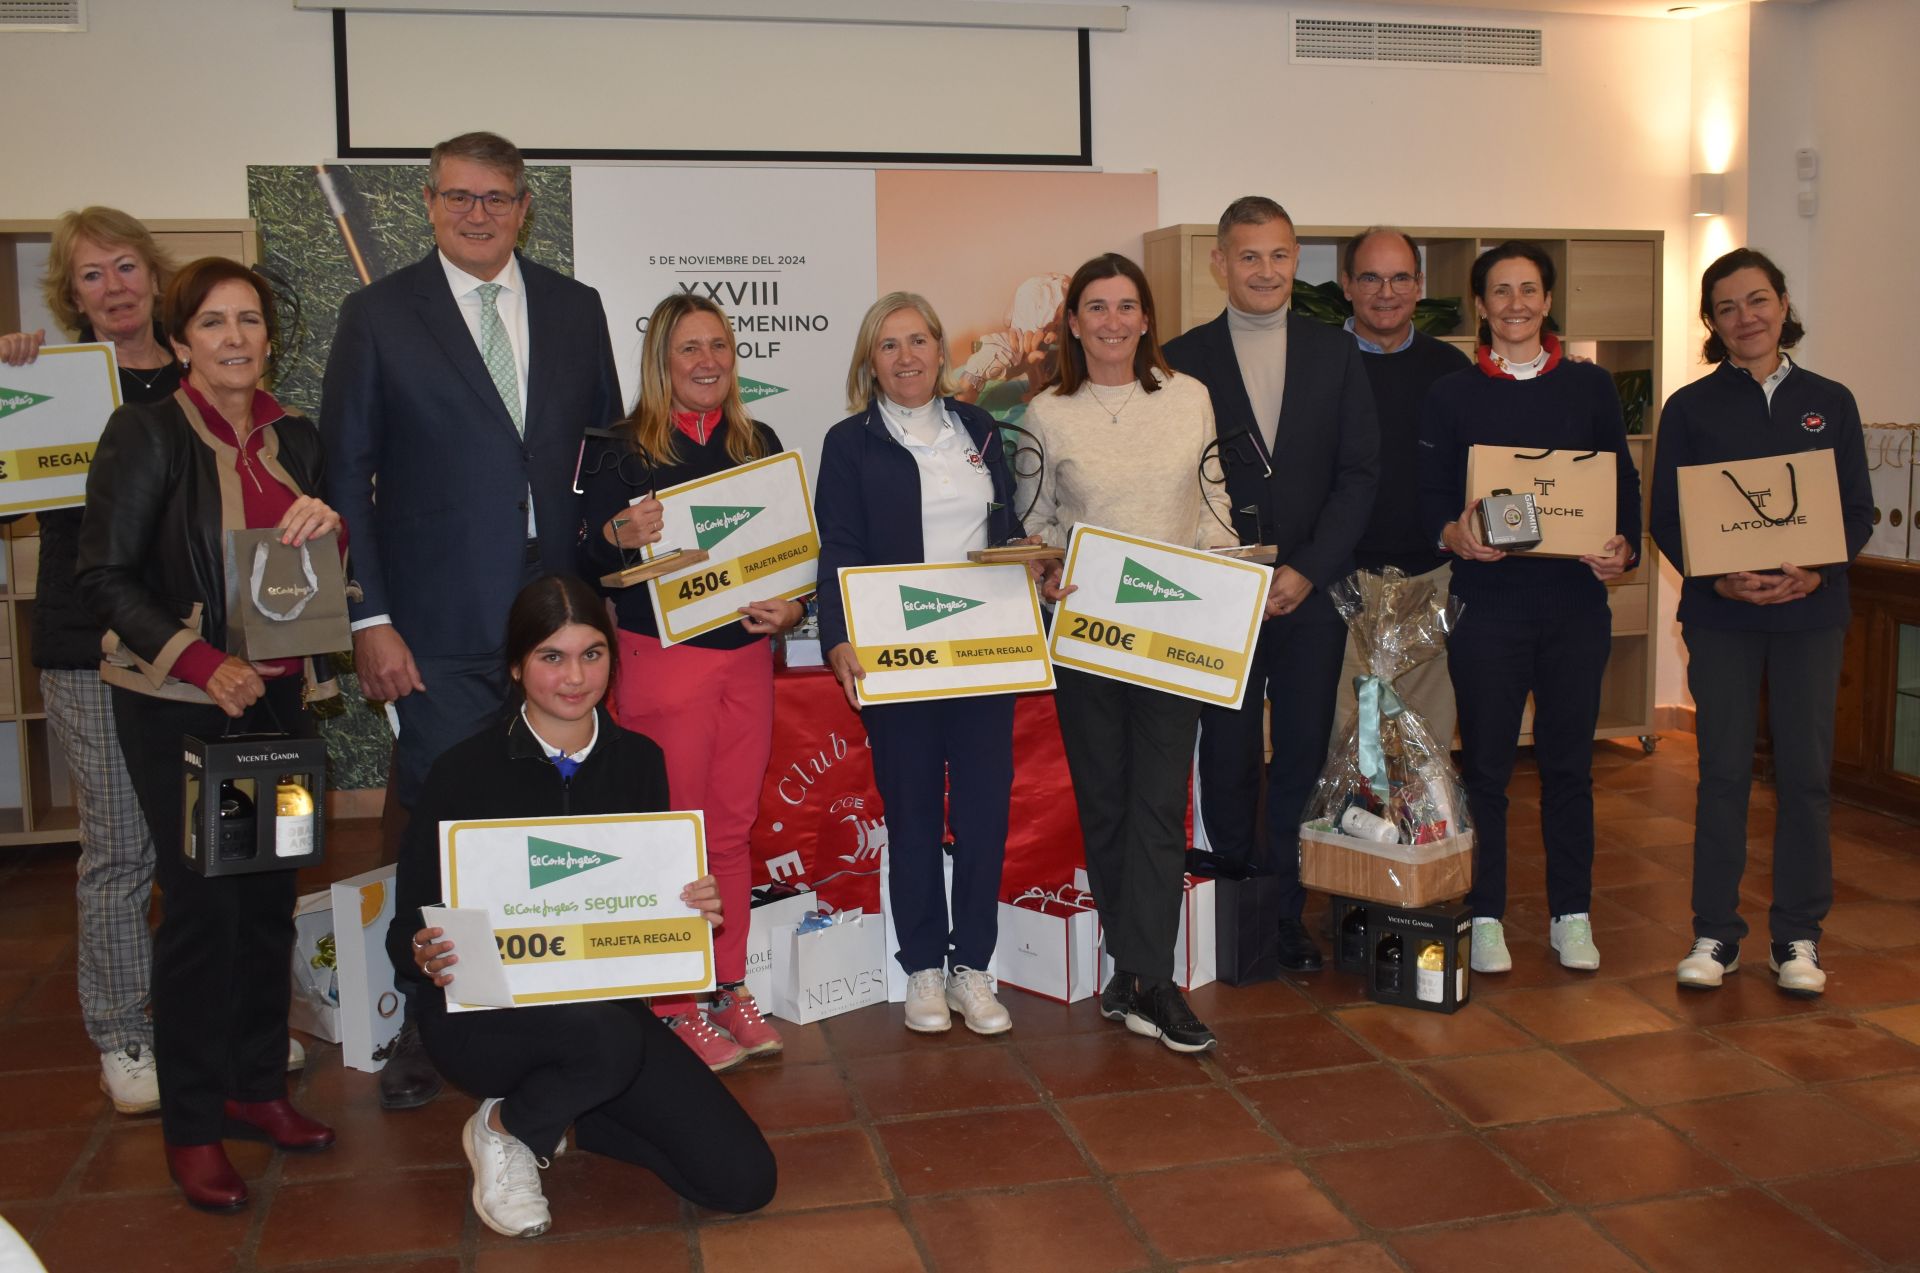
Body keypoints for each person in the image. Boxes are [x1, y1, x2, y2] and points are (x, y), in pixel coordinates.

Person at [321, 130, 622, 1109]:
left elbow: (604, 457)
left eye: (496, 198)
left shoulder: (576, 312)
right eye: (460, 198)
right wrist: (371, 616)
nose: (479, 214)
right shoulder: (376, 316)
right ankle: (423, 1012)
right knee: (445, 819)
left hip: (559, 610)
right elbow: (346, 477)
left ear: (523, 206)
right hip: (437, 618)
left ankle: (549, 1002)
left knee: (551, 813)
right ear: (430, 202)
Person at [393, 575, 776, 1238]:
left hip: (606, 1024)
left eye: (592, 654)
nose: (575, 677)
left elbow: (649, 914)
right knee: (607, 1038)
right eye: (552, 656)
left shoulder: (640, 762)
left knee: (743, 1181)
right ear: (516, 665)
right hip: (489, 1021)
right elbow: (408, 928)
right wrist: (426, 949)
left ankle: (576, 1111)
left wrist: (689, 909)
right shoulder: (462, 771)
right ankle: (504, 1126)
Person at [77, 257, 343, 1211]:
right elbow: (102, 578)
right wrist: (201, 661)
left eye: (250, 321)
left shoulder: (295, 437)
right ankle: (193, 1122)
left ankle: (253, 1087)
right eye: (214, 322)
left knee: (268, 900)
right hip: (180, 703)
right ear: (184, 338)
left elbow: (305, 575)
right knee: (200, 912)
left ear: (271, 336)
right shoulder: (145, 433)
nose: (235, 338)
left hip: (276, 700)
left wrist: (333, 532)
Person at [579, 293, 802, 1070]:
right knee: (676, 833)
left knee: (733, 827)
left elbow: (791, 559)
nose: (708, 362)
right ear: (660, 362)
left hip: (746, 661)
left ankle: (727, 984)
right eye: (689, 350)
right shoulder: (618, 449)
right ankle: (673, 1003)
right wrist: (612, 533)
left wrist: (793, 604)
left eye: (719, 346)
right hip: (661, 660)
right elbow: (583, 564)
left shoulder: (758, 439)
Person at [1019, 253, 1236, 1054]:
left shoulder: (1191, 400)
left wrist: (1231, 567)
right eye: (1095, 308)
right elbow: (1035, 523)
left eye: (1126, 307)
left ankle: (1149, 976)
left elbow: (1214, 511)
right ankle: (1133, 971)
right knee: (1106, 801)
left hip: (1174, 636)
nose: (1112, 321)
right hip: (1087, 636)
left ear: (1147, 319)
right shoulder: (1047, 413)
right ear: (1073, 322)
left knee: (1158, 802)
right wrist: (1042, 567)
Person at [1163, 197, 1380, 973]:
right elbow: (1171, 485)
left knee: (1299, 758)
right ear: (1220, 263)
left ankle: (1286, 911)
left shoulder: (1336, 353)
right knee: (1224, 757)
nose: (1265, 271)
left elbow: (1359, 476)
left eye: (1279, 255)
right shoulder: (1178, 359)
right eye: (1248, 256)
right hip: (1219, 597)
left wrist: (1308, 569)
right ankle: (1234, 909)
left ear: (1298, 263)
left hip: (1310, 598)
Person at [1651, 248, 1872, 997]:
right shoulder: (1689, 407)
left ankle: (1798, 938)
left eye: (1757, 300)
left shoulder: (1830, 402)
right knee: (1720, 774)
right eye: (1727, 307)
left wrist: (1818, 570)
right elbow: (1666, 517)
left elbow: (1855, 510)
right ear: (1711, 323)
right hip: (1722, 617)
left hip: (1813, 614)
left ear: (1782, 304)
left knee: (1807, 777)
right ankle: (1716, 934)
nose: (1745, 317)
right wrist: (1721, 577)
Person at [1417, 240, 1640, 976]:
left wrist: (1623, 549)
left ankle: (1570, 913)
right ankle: (1484, 914)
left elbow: (1623, 487)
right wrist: (1456, 534)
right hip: (1489, 605)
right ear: (1480, 306)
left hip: (1575, 605)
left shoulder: (1590, 387)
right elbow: (1431, 500)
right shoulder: (1454, 394)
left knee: (1569, 765)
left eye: (1529, 289)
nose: (1515, 303)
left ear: (1547, 301)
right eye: (1501, 291)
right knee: (1485, 767)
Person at [815, 292, 1035, 1036]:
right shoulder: (849, 443)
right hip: (896, 655)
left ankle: (973, 964)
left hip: (983, 652)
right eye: (888, 345)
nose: (906, 357)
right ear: (868, 362)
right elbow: (838, 545)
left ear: (942, 350)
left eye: (918, 341)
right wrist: (838, 635)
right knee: (910, 814)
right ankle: (923, 969)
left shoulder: (978, 427)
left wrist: (1032, 567)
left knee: (983, 814)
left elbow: (1001, 528)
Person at [0, 208, 180, 1116]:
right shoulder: (51, 379)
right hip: (90, 643)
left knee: (199, 842)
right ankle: (121, 1029)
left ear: (151, 272)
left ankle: (195, 1015)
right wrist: (3, 390)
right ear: (69, 296)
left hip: (194, 644)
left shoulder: (198, 371)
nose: (113, 288)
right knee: (119, 846)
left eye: (123, 267)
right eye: (89, 277)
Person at [1331, 227, 1471, 749]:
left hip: (1432, 579)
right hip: (1344, 585)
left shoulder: (1451, 370)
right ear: (1346, 284)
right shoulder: (1319, 363)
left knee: (1427, 741)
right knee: (1350, 743)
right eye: (1370, 277)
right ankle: (1353, 833)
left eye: (1399, 278)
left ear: (1419, 285)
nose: (1385, 292)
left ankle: (1427, 834)